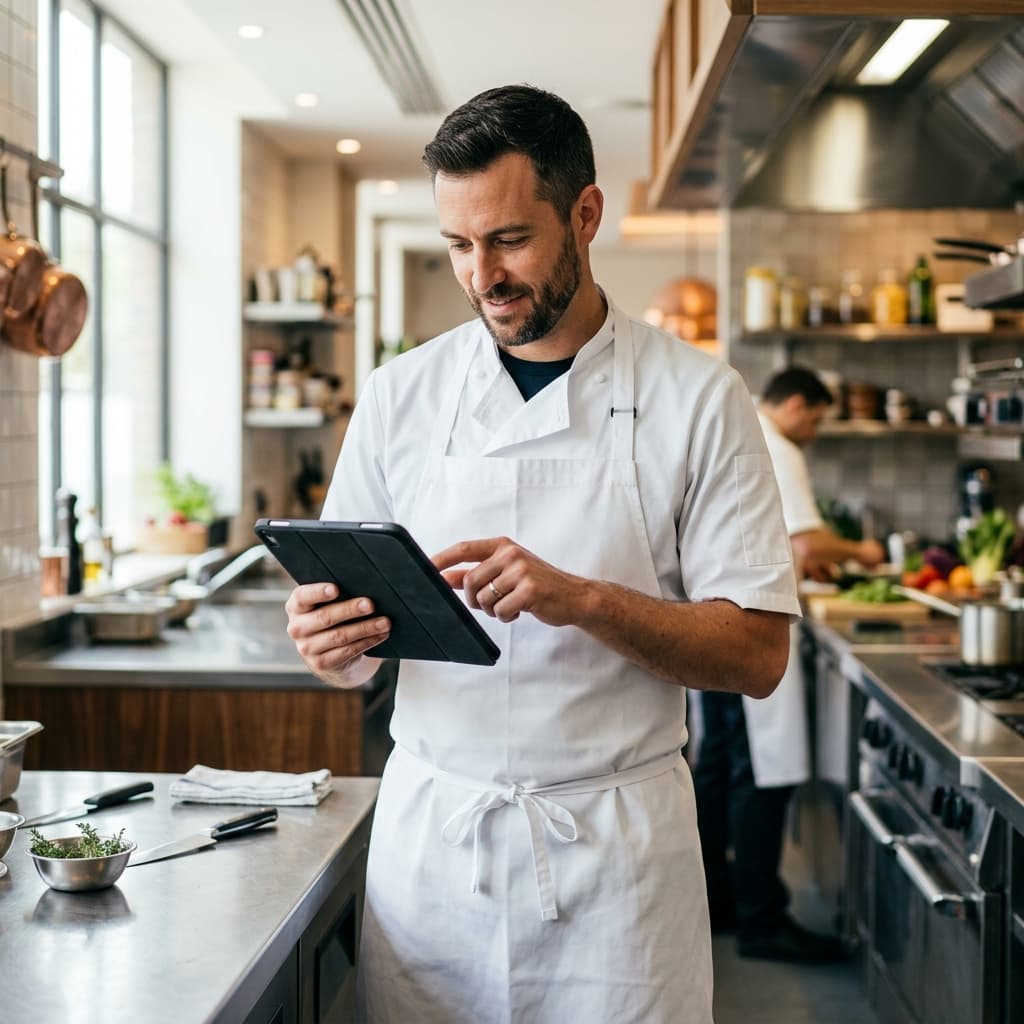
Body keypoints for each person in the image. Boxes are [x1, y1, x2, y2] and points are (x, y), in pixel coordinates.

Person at [284, 84, 800, 1023]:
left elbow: (758, 655)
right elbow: (349, 642)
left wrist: (584, 600)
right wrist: (329, 642)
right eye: (458, 246)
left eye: (510, 239)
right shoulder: (402, 396)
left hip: (618, 869)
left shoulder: (698, 398)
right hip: (436, 859)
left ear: (586, 214)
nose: (482, 275)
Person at [693, 365, 885, 963]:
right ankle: (763, 920)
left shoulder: (730, 428)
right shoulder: (774, 445)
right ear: (797, 405)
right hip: (750, 628)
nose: (817, 429)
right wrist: (864, 552)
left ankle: (717, 902)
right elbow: (805, 543)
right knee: (762, 775)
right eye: (819, 416)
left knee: (721, 768)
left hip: (709, 622)